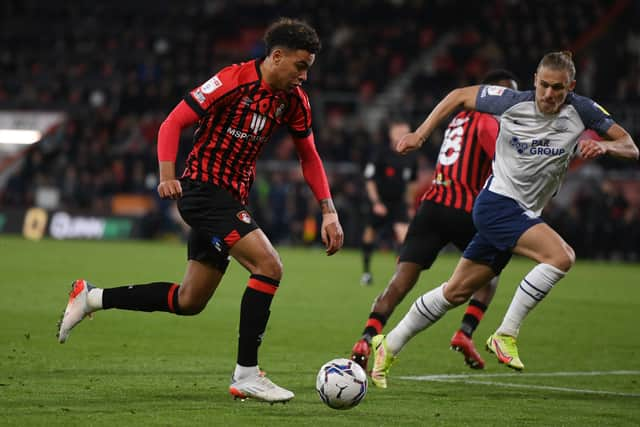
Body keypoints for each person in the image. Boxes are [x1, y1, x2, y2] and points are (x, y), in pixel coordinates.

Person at [56, 18, 345, 403]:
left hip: (231, 199)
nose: (304, 76)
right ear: (276, 57)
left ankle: (91, 297)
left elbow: (309, 156)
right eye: (300, 66)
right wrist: (166, 175)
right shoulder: (231, 81)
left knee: (189, 300)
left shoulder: (293, 101)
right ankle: (246, 373)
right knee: (270, 266)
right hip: (203, 193)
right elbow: (172, 122)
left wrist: (328, 210)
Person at [369, 51, 638, 388]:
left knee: (455, 292)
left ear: (570, 86)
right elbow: (459, 96)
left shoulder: (582, 111)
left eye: (557, 88)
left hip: (523, 212)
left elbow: (630, 145)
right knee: (561, 256)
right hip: (497, 205)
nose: (549, 95)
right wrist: (421, 135)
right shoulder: (510, 101)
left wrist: (606, 148)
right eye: (543, 85)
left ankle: (387, 346)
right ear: (534, 81)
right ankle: (506, 333)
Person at [351, 70, 519, 371]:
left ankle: (366, 336)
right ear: (494, 94)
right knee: (490, 273)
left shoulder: (458, 119)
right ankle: (465, 332)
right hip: (466, 210)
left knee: (399, 282)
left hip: (431, 206)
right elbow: (501, 163)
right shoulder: (487, 120)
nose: (513, 102)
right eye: (509, 94)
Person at [360, 119, 418, 286]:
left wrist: (409, 205)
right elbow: (369, 179)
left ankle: (399, 276)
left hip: (398, 203)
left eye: (405, 132)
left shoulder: (411, 156)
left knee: (404, 237)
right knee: (370, 234)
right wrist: (376, 202)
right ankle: (366, 272)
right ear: (391, 134)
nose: (401, 135)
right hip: (380, 201)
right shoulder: (380, 153)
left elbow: (412, 183)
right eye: (398, 132)